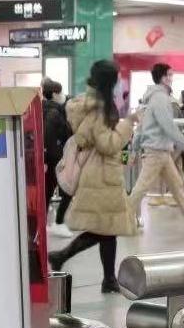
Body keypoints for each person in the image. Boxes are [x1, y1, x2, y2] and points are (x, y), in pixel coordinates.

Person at [47, 60, 135, 294]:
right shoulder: (100, 109)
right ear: (109, 81)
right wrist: (128, 124)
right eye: (117, 78)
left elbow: (87, 138)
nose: (119, 82)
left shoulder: (94, 104)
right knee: (104, 229)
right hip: (101, 177)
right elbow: (107, 144)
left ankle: (108, 279)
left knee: (107, 229)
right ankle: (62, 256)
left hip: (101, 174)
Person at [127, 62, 184, 232]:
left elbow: (142, 127)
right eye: (170, 75)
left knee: (176, 186)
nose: (172, 78)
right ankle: (121, 218)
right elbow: (168, 126)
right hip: (157, 151)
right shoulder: (160, 98)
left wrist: (134, 149)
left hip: (161, 151)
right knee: (142, 187)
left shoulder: (152, 98)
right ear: (163, 78)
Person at [42, 78, 73, 236]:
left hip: (51, 158)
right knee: (67, 189)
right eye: (60, 92)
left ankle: (44, 223)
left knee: (47, 191)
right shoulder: (54, 112)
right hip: (56, 159)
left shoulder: (47, 109)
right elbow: (49, 136)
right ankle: (59, 222)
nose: (63, 95)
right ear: (54, 94)